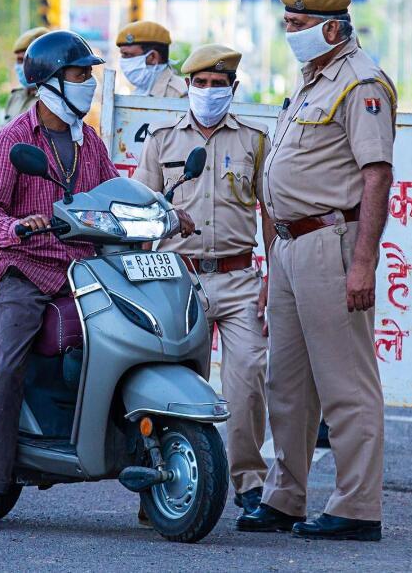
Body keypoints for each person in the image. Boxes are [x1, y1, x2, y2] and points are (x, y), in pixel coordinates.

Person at [237, 0, 396, 542]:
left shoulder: (361, 83)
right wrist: (270, 260)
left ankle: (357, 507)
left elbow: (376, 175)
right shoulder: (311, 81)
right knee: (287, 382)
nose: (290, 34)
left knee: (346, 383)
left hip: (331, 244)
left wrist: (363, 262)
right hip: (288, 247)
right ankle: (285, 496)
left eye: (299, 25)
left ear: (332, 27)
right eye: (288, 24)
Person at [0, 30, 129, 530]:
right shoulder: (12, 140)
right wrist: (15, 228)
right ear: (51, 83)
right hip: (27, 272)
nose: (88, 84)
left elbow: (111, 195)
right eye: (79, 75)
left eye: (89, 75)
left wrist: (160, 213)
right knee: (8, 367)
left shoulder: (88, 141)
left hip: (86, 272)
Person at [133, 44, 273, 519]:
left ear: (234, 89)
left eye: (219, 85)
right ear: (187, 87)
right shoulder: (161, 140)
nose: (209, 92)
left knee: (248, 379)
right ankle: (156, 481)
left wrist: (272, 277)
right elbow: (141, 211)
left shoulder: (255, 141)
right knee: (167, 385)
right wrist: (170, 216)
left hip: (238, 278)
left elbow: (270, 213)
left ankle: (249, 485)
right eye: (201, 84)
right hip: (176, 279)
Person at [114, 21, 188, 97]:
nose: (123, 60)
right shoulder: (140, 91)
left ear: (153, 57)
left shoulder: (180, 94)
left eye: (127, 54)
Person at [3, 26, 49, 122]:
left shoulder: (51, 100)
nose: (19, 66)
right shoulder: (15, 96)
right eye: (18, 60)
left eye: (24, 60)